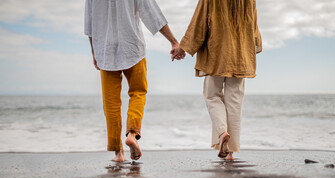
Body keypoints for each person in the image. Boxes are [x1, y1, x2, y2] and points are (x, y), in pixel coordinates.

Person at [85, 0, 184, 162]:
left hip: (105, 49)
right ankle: (132, 133)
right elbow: (151, 12)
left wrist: (94, 52)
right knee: (138, 92)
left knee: (111, 102)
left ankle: (118, 152)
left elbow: (89, 24)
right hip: (132, 47)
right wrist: (173, 40)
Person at [172, 0, 262, 160]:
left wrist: (184, 47)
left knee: (212, 95)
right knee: (235, 100)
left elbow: (199, 21)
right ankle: (230, 152)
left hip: (217, 51)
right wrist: (255, 44)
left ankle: (222, 133)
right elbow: (252, 22)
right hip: (241, 53)